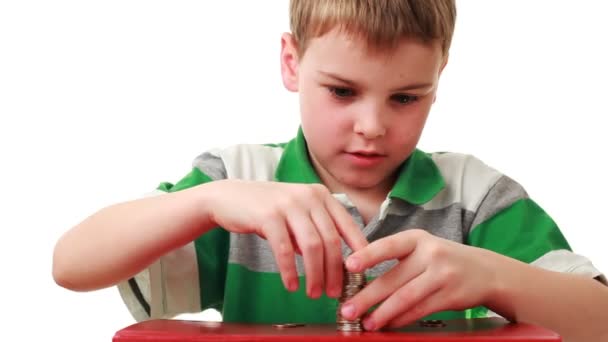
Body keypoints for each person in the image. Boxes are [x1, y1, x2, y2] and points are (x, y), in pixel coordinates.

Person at [52, 1, 608, 341]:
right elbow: (71, 265)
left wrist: (492, 276)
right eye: (342, 91)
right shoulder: (240, 180)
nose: (371, 125)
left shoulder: (475, 197)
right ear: (292, 63)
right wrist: (205, 201)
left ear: (439, 77)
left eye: (406, 98)